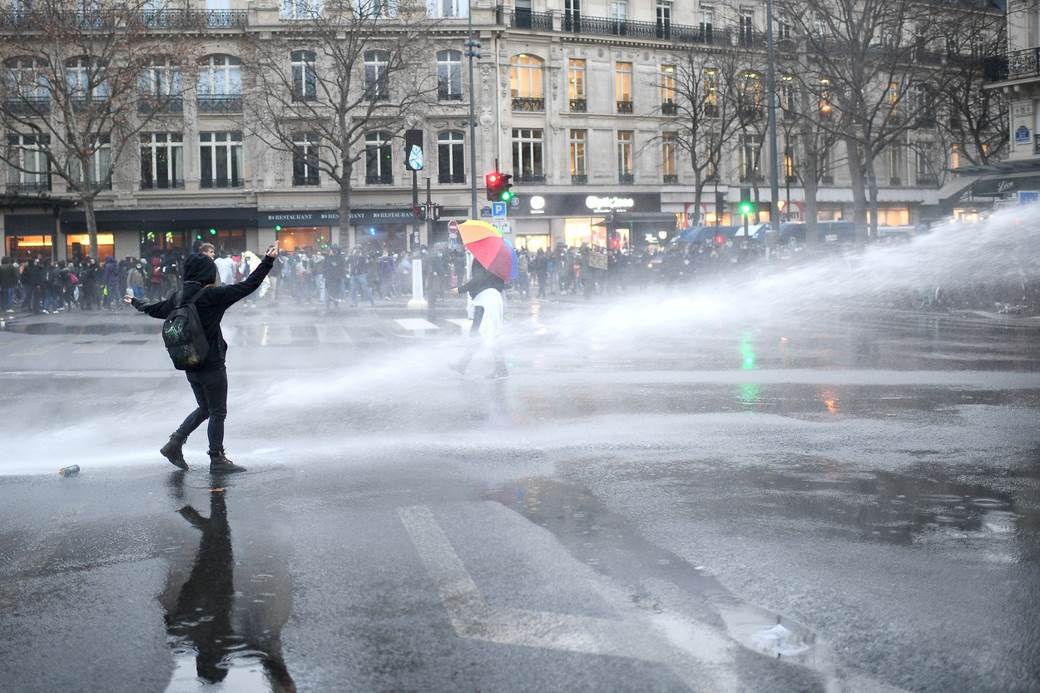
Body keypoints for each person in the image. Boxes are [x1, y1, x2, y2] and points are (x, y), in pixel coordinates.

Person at [126, 244, 278, 474]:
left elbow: (154, 309)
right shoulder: (212, 295)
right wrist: (268, 260)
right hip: (212, 363)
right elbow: (248, 286)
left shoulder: (178, 297)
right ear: (207, 273)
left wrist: (136, 302)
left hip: (189, 361)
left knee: (204, 408)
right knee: (217, 411)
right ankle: (217, 459)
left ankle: (174, 443)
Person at [451, 259, 507, 379]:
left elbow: (478, 280)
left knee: (487, 334)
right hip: (491, 299)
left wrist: (460, 289)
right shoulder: (497, 261)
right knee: (479, 333)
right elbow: (502, 283)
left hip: (486, 301)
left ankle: (501, 370)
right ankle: (463, 365)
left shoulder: (483, 259)